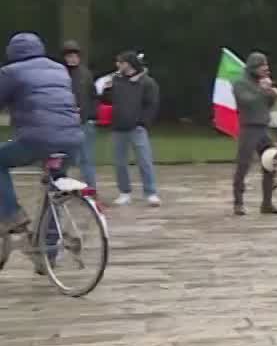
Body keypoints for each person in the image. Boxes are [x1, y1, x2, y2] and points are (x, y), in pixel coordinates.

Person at [0, 33, 86, 233]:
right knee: (56, 186)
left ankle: (12, 215)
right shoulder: (59, 69)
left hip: (38, 140)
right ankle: (49, 251)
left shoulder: (10, 72)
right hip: (72, 140)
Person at [106, 51, 161, 207]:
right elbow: (108, 100)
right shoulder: (115, 81)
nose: (118, 65)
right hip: (118, 127)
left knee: (144, 161)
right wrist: (107, 90)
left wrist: (143, 122)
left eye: (120, 62)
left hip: (137, 128)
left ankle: (151, 193)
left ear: (128, 64)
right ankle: (124, 192)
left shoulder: (147, 82)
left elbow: (152, 104)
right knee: (120, 162)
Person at [230, 52, 277, 216]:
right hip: (248, 128)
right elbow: (247, 100)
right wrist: (263, 89)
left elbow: (268, 104)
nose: (265, 69)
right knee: (243, 165)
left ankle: (267, 203)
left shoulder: (262, 83)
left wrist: (271, 93)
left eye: (266, 65)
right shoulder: (240, 84)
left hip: (263, 129)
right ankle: (238, 202)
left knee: (271, 163)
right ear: (252, 67)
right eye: (261, 66)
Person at [59, 41, 97, 189]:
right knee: (63, 157)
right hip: (64, 124)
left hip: (84, 122)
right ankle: (60, 187)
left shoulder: (86, 74)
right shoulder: (59, 74)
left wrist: (91, 116)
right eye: (69, 56)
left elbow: (93, 96)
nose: (72, 59)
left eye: (75, 55)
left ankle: (91, 189)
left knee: (86, 158)